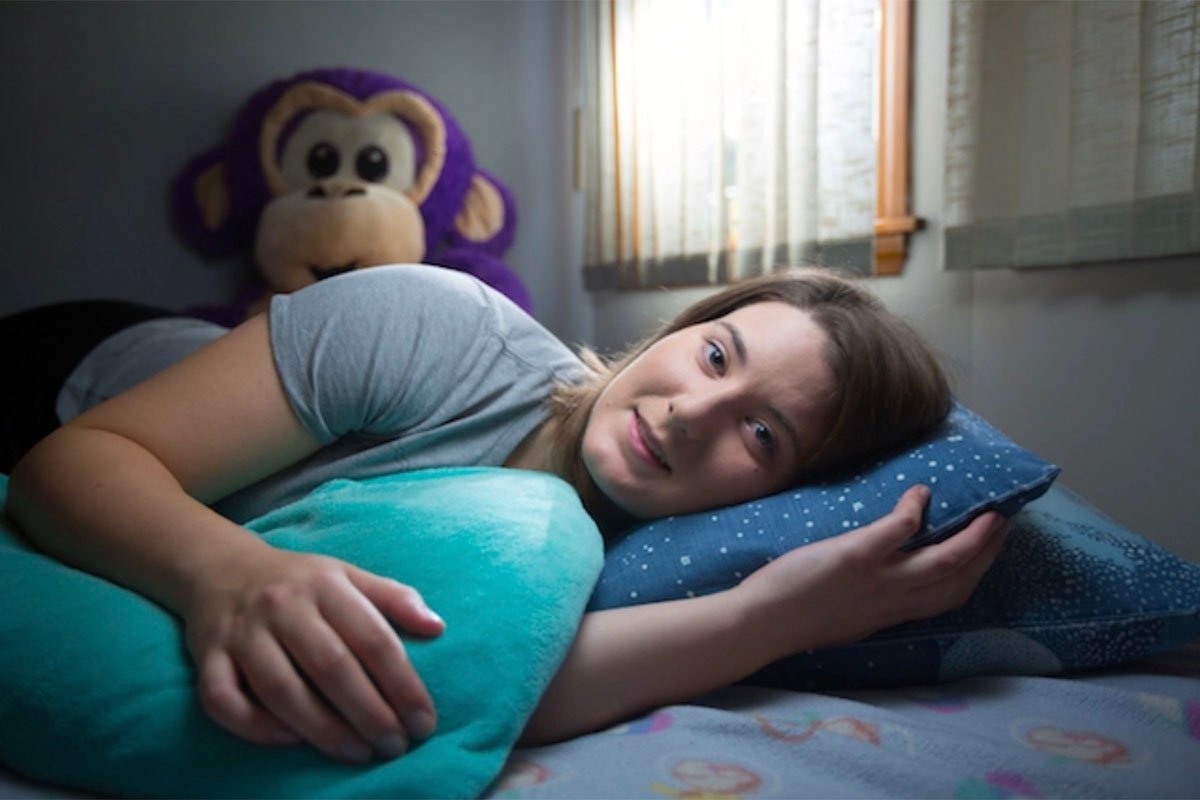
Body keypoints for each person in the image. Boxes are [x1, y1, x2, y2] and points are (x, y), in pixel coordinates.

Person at [2, 264, 1009, 766]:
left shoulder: (653, 556)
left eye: (762, 434)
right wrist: (226, 573)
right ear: (685, 328)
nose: (689, 414)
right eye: (715, 355)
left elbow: (500, 677)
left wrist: (775, 617)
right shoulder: (434, 327)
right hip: (68, 376)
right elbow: (71, 465)